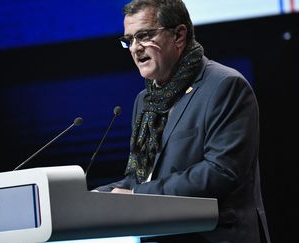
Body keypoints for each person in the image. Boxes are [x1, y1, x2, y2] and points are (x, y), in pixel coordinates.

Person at [94, 0, 271, 242]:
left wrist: (136, 193)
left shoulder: (225, 86)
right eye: (129, 40)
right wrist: (95, 197)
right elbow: (141, 176)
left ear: (178, 35)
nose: (135, 48)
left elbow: (222, 171)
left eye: (144, 36)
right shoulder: (145, 100)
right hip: (160, 235)